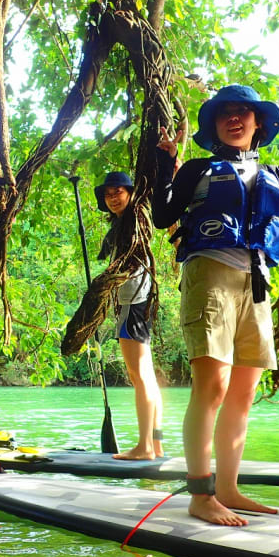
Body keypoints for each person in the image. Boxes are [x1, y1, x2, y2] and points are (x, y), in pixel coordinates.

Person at [153, 84, 279, 526]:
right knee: (213, 386)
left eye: (245, 112)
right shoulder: (199, 169)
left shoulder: (275, 174)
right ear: (216, 125)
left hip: (256, 282)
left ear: (258, 123)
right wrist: (165, 164)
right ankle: (200, 492)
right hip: (211, 276)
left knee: (243, 391)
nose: (235, 118)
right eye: (226, 113)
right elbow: (162, 216)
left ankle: (228, 488)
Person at [94, 171, 164, 460]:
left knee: (140, 377)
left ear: (130, 192)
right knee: (147, 377)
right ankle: (156, 445)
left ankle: (145, 446)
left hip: (134, 301)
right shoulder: (125, 225)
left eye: (118, 192)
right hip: (137, 302)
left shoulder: (135, 220)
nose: (113, 198)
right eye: (108, 194)